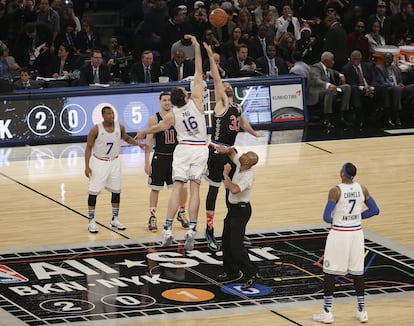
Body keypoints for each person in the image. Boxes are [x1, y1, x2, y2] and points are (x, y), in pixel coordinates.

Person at [136, 35, 208, 251]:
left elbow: (157, 128)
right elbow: (198, 70)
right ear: (185, 95)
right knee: (194, 191)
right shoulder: (196, 101)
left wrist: (143, 131)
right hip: (200, 149)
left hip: (183, 150)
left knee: (177, 188)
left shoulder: (172, 115)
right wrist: (196, 47)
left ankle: (167, 230)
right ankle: (192, 231)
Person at [203, 42, 264, 251]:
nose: (226, 85)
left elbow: (242, 122)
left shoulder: (236, 107)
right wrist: (211, 56)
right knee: (214, 191)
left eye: (229, 85)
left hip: (231, 151)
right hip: (216, 150)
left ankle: (234, 230)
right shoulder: (221, 103)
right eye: (224, 85)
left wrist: (254, 133)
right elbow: (217, 78)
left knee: (234, 191)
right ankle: (209, 230)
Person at [312, 162, 380, 324]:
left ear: (342, 173)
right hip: (356, 234)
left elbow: (326, 217)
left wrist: (340, 220)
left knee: (330, 272)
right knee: (358, 272)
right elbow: (375, 210)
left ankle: (327, 313)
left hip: (340, 234)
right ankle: (362, 311)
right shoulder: (362, 189)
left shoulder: (335, 191)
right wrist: (357, 217)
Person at [84, 105, 141, 233]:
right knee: (93, 192)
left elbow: (126, 138)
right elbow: (88, 147)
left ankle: (115, 218)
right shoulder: (95, 130)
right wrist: (87, 166)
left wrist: (138, 143)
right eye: (109, 114)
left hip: (115, 161)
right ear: (103, 116)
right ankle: (91, 221)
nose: (111, 115)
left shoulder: (119, 127)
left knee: (116, 191)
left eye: (112, 113)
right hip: (99, 162)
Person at [215, 144, 260, 290]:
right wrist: (225, 149)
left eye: (245, 156)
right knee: (226, 242)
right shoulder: (241, 164)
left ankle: (252, 274)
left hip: (241, 212)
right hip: (233, 211)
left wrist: (226, 175)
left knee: (236, 246)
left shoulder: (248, 175)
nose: (242, 155)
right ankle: (232, 272)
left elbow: (234, 189)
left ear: (248, 163)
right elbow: (232, 152)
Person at [145, 91, 189, 232]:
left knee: (182, 187)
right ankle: (152, 216)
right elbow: (149, 140)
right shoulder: (154, 118)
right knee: (155, 189)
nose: (167, 102)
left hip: (176, 158)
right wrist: (146, 162)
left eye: (169, 100)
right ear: (160, 102)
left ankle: (181, 212)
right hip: (159, 157)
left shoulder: (178, 116)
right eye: (164, 100)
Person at [307, 51, 352, 129]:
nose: (334, 62)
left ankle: (342, 116)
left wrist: (341, 75)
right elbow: (316, 80)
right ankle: (327, 119)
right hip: (317, 92)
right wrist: (329, 85)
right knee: (330, 90)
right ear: (326, 61)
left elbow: (334, 72)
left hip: (330, 89)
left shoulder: (328, 68)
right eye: (332, 60)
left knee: (347, 87)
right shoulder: (315, 67)